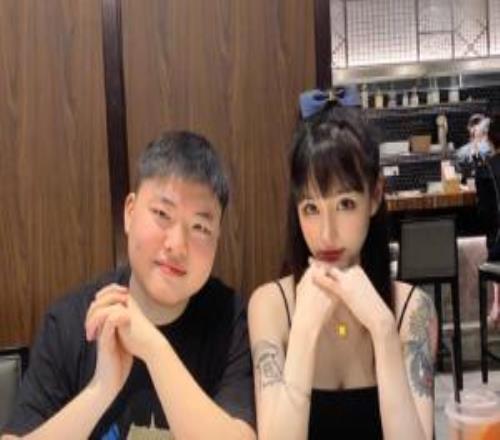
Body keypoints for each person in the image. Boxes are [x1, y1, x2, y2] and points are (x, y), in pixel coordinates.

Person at [2, 131, 256, 439]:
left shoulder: (231, 320)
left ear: (218, 238)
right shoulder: (73, 320)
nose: (177, 245)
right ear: (129, 213)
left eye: (200, 227)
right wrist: (101, 389)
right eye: (162, 214)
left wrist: (155, 350)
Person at [248, 102, 438, 439]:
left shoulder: (413, 310)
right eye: (311, 208)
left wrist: (383, 329)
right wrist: (303, 330)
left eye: (345, 204)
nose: (326, 234)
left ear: (375, 196)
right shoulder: (271, 305)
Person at [475, 117, 500, 326]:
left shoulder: (485, 169)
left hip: (498, 246)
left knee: (494, 240)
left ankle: (497, 306)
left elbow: (484, 215)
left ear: (490, 140)